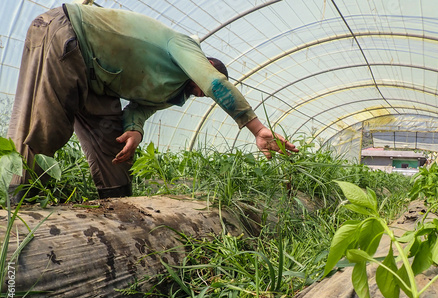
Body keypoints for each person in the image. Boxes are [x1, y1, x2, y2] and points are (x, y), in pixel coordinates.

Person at [7, 2, 298, 199]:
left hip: (98, 80)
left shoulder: (173, 92)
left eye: (200, 95)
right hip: (69, 37)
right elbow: (215, 83)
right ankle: (19, 212)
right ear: (204, 63)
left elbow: (139, 109)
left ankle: (116, 213)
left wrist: (134, 130)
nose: (200, 94)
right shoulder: (183, 45)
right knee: (43, 131)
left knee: (114, 148)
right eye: (200, 88)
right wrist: (256, 128)